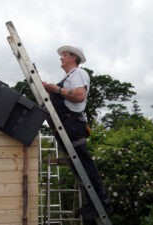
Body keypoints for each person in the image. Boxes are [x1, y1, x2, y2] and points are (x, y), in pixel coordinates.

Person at [43, 45, 110, 220]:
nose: (61, 58)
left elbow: (80, 96)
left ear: (73, 58)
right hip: (66, 125)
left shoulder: (79, 73)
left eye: (64, 55)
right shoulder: (68, 77)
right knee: (78, 167)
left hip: (72, 125)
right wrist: (48, 89)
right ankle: (92, 203)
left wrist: (55, 90)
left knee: (84, 165)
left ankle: (101, 202)